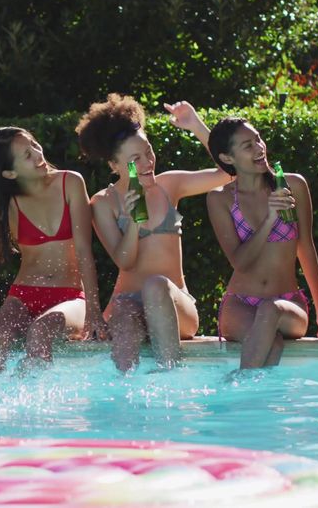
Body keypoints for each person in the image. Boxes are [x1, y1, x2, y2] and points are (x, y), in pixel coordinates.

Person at [76, 94, 232, 371]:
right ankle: (125, 393)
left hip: (174, 303)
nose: (148, 162)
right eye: (135, 159)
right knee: (125, 318)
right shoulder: (103, 203)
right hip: (128, 304)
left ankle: (169, 381)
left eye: (148, 152)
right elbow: (125, 262)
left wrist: (196, 125)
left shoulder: (169, 185)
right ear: (114, 165)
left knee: (156, 285)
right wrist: (134, 221)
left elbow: (229, 173)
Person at [0, 118, 106, 371]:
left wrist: (94, 310)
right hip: (23, 295)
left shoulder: (70, 183)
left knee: (40, 332)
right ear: (10, 173)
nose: (38, 154)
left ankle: (30, 394)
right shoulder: (10, 205)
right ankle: (0, 393)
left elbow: (83, 251)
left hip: (69, 295)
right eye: (27, 154)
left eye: (34, 145)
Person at [205, 116, 318, 369]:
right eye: (248, 145)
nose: (259, 147)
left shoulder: (293, 185)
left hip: (287, 304)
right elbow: (240, 262)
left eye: (258, 139)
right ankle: (253, 391)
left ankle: (239, 384)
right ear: (228, 158)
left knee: (269, 309)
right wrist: (269, 219)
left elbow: (306, 249)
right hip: (240, 303)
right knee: (271, 344)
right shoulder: (220, 199)